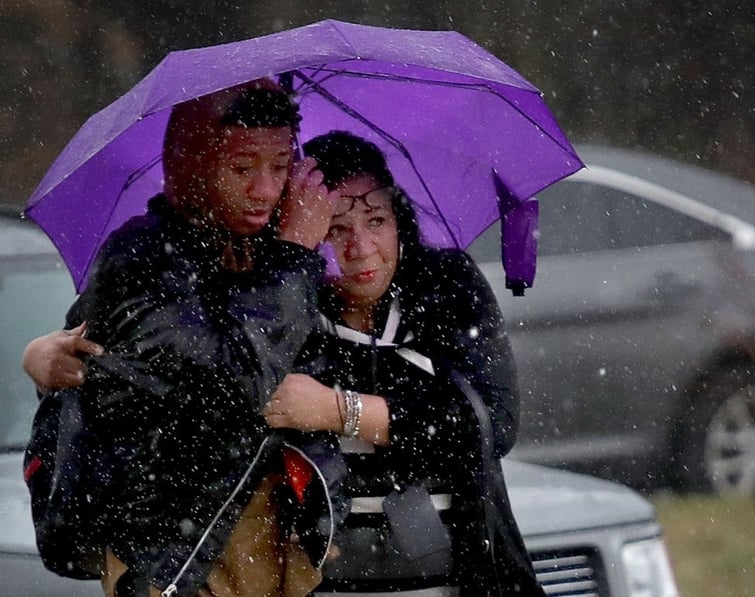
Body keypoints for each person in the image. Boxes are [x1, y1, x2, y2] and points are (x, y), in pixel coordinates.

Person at [26, 130, 545, 595]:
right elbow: (175, 374)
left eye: (377, 220)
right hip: (313, 575)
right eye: (336, 228)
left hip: (462, 569)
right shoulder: (277, 305)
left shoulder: (446, 286)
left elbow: (492, 423)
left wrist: (340, 410)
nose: (361, 248)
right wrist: (42, 359)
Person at [23, 79, 342, 597]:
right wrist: (293, 256)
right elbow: (234, 386)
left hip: (277, 543)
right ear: (193, 161)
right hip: (177, 558)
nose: (264, 189)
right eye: (242, 168)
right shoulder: (141, 258)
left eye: (281, 167)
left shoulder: (270, 250)